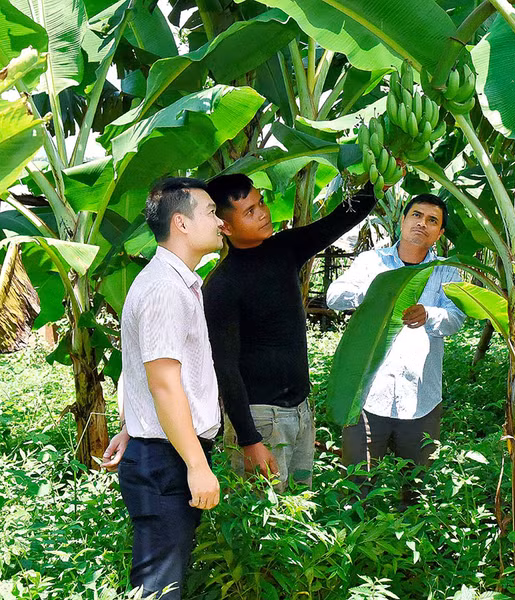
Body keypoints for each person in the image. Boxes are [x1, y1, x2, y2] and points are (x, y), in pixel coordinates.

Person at [202, 175, 378, 490]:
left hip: (300, 411)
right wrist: (249, 439)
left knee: (296, 513)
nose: (263, 213)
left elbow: (335, 223)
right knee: (261, 520)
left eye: (261, 203)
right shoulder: (221, 285)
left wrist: (378, 186)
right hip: (261, 419)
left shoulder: (283, 248)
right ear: (225, 227)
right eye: (249, 212)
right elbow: (225, 368)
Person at [102, 177, 224, 599]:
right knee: (158, 588)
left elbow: (141, 368)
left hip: (162, 449)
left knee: (164, 580)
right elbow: (164, 384)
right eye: (210, 211)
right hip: (167, 460)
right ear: (182, 223)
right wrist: (196, 465)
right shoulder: (164, 289)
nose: (220, 220)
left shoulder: (176, 282)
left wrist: (130, 426)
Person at [327, 194, 465, 474]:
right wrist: (379, 292)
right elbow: (334, 296)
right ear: (402, 221)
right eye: (416, 215)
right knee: (358, 483)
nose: (422, 224)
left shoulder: (446, 271)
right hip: (366, 394)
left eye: (432, 220)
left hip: (421, 399)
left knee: (417, 488)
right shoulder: (371, 262)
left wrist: (429, 314)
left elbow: (456, 319)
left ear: (439, 233)